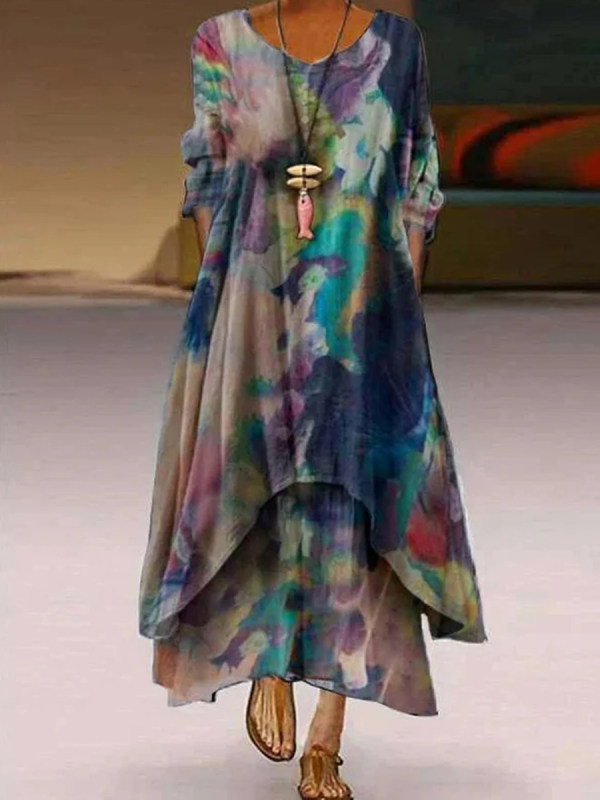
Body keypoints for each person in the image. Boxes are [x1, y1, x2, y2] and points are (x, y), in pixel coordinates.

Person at [138, 3, 487, 798]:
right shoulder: (221, 42)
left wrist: (400, 308)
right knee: (257, 489)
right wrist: (228, 306)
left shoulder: (397, 46)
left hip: (362, 310)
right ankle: (270, 657)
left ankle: (326, 741)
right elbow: (206, 175)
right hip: (253, 307)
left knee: (354, 512)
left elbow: (417, 179)